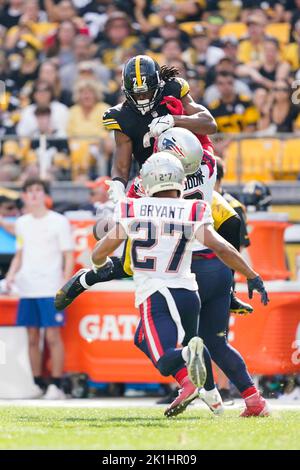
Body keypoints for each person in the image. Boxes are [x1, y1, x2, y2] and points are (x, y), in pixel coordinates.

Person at [56, 130, 270, 418]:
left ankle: (194, 378)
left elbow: (103, 247)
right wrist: (251, 275)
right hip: (197, 282)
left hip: (159, 287)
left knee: (161, 347)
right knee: (211, 341)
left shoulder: (135, 205)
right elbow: (225, 239)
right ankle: (240, 397)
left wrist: (96, 259)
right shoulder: (201, 191)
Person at [5, 178, 74, 399]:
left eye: (38, 190)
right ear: (24, 196)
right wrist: (10, 275)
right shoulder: (22, 223)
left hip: (51, 287)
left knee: (53, 336)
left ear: (45, 194)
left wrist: (65, 286)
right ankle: (38, 383)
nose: (34, 194)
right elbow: (20, 253)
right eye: (29, 191)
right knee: (32, 337)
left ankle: (56, 384)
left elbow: (68, 255)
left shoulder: (59, 221)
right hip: (27, 287)